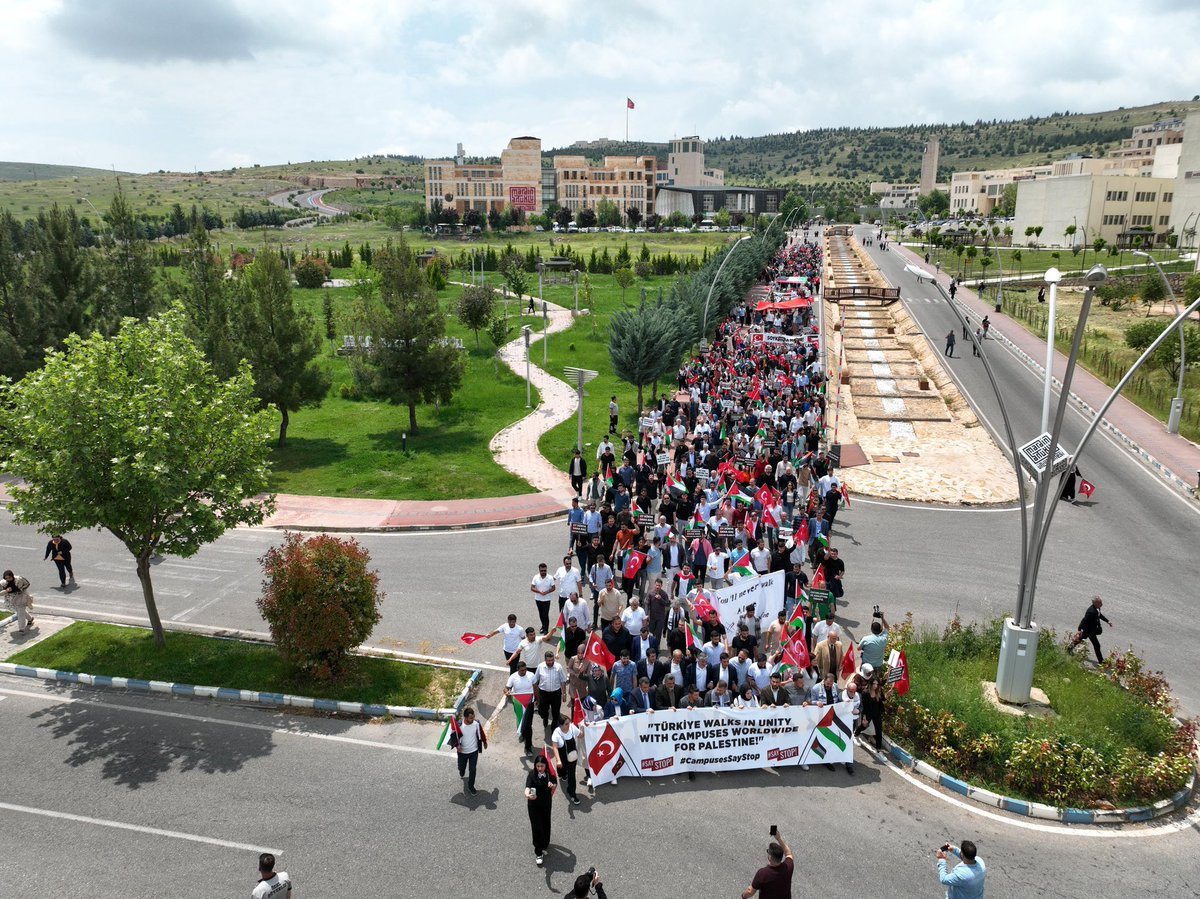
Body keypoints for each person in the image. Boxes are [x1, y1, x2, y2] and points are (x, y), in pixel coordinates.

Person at [741, 828, 793, 899]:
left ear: (770, 857)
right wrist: (779, 838)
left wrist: (743, 896)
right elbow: (788, 852)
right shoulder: (788, 867)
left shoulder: (763, 874)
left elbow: (750, 892)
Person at [525, 754, 557, 866]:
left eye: (542, 766)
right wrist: (528, 795)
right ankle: (538, 852)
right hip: (533, 806)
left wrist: (552, 785)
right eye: (537, 766)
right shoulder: (531, 775)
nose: (539, 768)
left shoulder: (549, 775)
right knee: (537, 828)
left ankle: (545, 843)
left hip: (546, 805)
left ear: (546, 766)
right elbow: (527, 788)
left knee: (546, 824)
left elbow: (554, 785)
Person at [550, 715, 583, 806]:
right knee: (562, 769)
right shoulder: (556, 733)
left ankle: (572, 794)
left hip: (572, 757)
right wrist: (558, 760)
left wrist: (583, 727)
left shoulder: (572, 727)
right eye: (566, 724)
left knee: (572, 776)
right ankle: (562, 774)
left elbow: (580, 735)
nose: (568, 725)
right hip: (562, 757)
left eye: (569, 723)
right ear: (560, 725)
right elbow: (555, 747)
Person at [1068, 596, 1112, 663]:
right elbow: (1084, 620)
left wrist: (1107, 621)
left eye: (1101, 602)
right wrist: (1079, 629)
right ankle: (1101, 661)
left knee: (1080, 639)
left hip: (1090, 629)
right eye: (1100, 602)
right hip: (1089, 630)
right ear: (1095, 603)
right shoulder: (1091, 612)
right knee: (1097, 645)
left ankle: (1069, 649)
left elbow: (1099, 615)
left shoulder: (1097, 608)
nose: (1101, 603)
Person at [455, 706, 487, 795]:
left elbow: (481, 732)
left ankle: (471, 786)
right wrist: (457, 746)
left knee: (472, 770)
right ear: (465, 717)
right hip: (462, 752)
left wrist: (484, 741)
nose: (473, 719)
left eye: (473, 717)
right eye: (470, 718)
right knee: (461, 767)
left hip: (474, 751)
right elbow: (454, 738)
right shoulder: (459, 725)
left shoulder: (476, 723)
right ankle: (461, 771)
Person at [535, 650, 567, 729]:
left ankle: (554, 727)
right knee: (542, 711)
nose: (550, 662)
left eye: (552, 660)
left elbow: (563, 681)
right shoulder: (540, 667)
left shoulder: (558, 667)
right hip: (543, 694)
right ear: (545, 660)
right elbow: (536, 680)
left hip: (556, 694)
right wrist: (536, 694)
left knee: (555, 713)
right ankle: (545, 718)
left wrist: (564, 694)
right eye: (548, 661)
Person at [1, 570, 33, 635]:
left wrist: (21, 589)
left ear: (12, 576)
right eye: (6, 578)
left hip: (22, 597)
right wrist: (6, 591)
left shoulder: (19, 579)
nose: (8, 579)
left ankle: (21, 629)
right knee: (20, 611)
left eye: (9, 577)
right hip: (11, 600)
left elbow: (27, 584)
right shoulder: (3, 583)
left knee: (20, 613)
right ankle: (30, 619)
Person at [531, 563, 557, 634]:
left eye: (544, 570)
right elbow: (532, 587)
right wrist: (539, 592)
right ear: (539, 570)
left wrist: (547, 592)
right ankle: (543, 626)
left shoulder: (550, 577)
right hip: (538, 599)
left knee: (545, 614)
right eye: (541, 570)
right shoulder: (536, 577)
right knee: (541, 614)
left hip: (547, 599)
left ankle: (546, 629)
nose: (543, 572)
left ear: (546, 570)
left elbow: (553, 587)